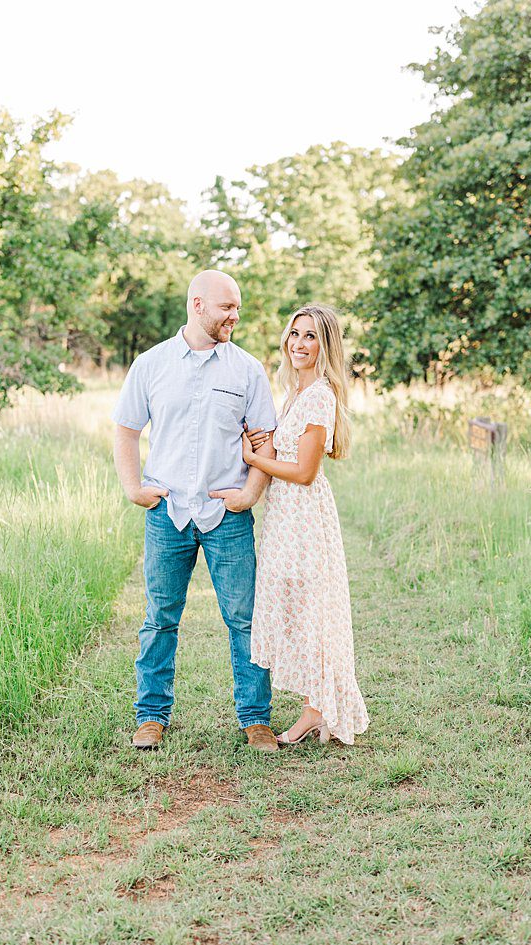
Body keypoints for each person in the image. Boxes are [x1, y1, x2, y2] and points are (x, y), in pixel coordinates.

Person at [112, 269, 280, 752]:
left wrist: (250, 493)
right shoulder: (151, 364)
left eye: (238, 308)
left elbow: (264, 438)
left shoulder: (246, 369)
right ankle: (151, 716)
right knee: (159, 617)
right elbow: (125, 428)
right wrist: (133, 486)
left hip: (226, 513)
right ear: (197, 304)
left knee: (245, 617)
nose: (235, 315)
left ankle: (255, 718)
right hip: (168, 513)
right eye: (227, 307)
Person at [242, 303, 368, 745]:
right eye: (295, 334)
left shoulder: (320, 396)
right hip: (284, 517)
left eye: (310, 336)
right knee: (295, 605)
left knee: (312, 609)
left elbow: (305, 472)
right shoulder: (296, 391)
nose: (299, 343)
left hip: (305, 517)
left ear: (325, 344)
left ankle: (316, 711)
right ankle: (313, 706)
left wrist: (254, 459)